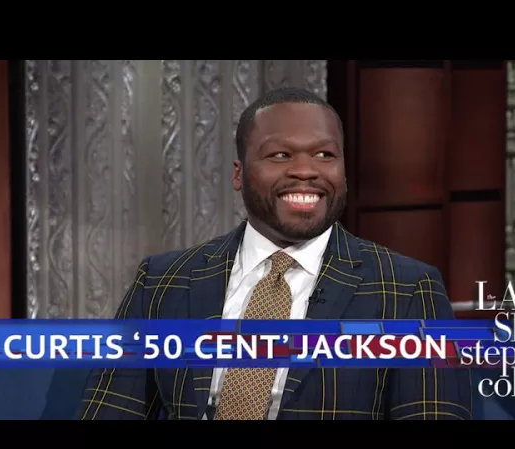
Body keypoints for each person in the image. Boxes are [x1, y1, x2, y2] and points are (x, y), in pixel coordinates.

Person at [76, 87, 473, 420]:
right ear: (238, 174)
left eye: (325, 155)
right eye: (281, 155)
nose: (306, 171)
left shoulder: (407, 290)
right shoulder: (163, 282)